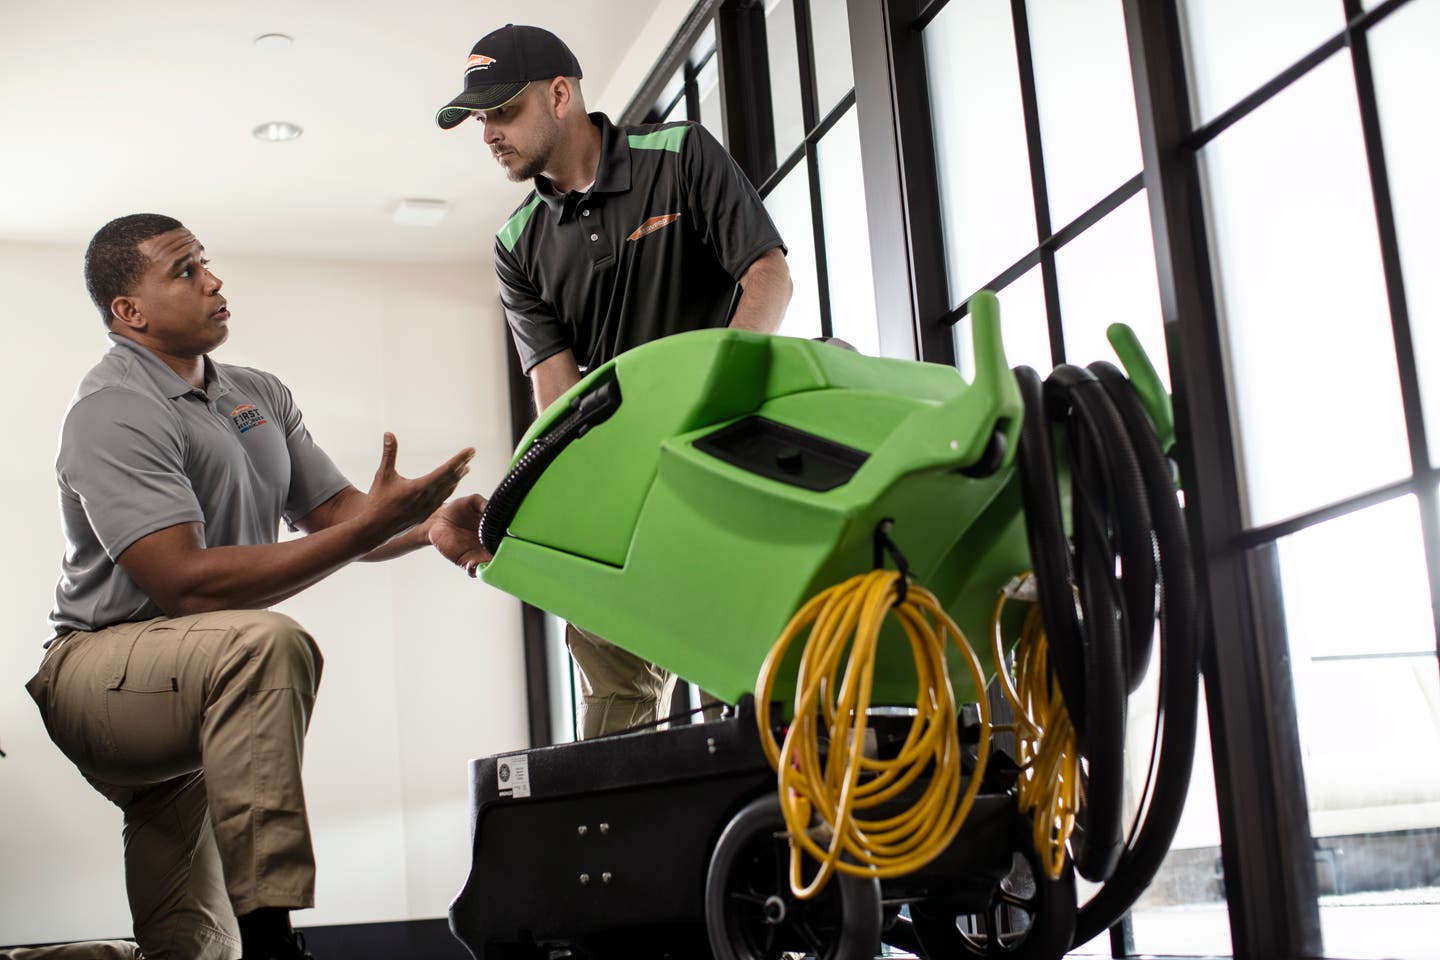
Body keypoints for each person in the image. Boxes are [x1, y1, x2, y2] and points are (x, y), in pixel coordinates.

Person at [22, 214, 485, 960]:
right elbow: (183, 585)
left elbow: (337, 518)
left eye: (206, 262)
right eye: (184, 270)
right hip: (100, 677)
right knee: (265, 643)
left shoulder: (255, 393)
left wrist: (425, 530)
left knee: (193, 948)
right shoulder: (111, 410)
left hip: (198, 684)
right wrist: (364, 531)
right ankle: (274, 937)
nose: (213, 280)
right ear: (128, 313)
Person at [433, 24, 793, 739]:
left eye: (501, 112)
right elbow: (557, 396)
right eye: (479, 120)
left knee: (748, 675)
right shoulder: (517, 244)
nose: (488, 135)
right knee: (608, 671)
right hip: (627, 474)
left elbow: (769, 277)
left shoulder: (680, 154)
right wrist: (551, 521)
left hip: (733, 451)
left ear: (560, 94)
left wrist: (714, 402)